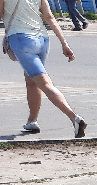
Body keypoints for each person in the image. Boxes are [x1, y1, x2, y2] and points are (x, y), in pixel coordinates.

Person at [1, 0, 86, 137]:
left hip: (21, 39)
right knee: (32, 81)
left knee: (45, 84)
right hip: (42, 40)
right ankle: (32, 121)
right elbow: (49, 17)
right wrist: (64, 44)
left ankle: (74, 118)